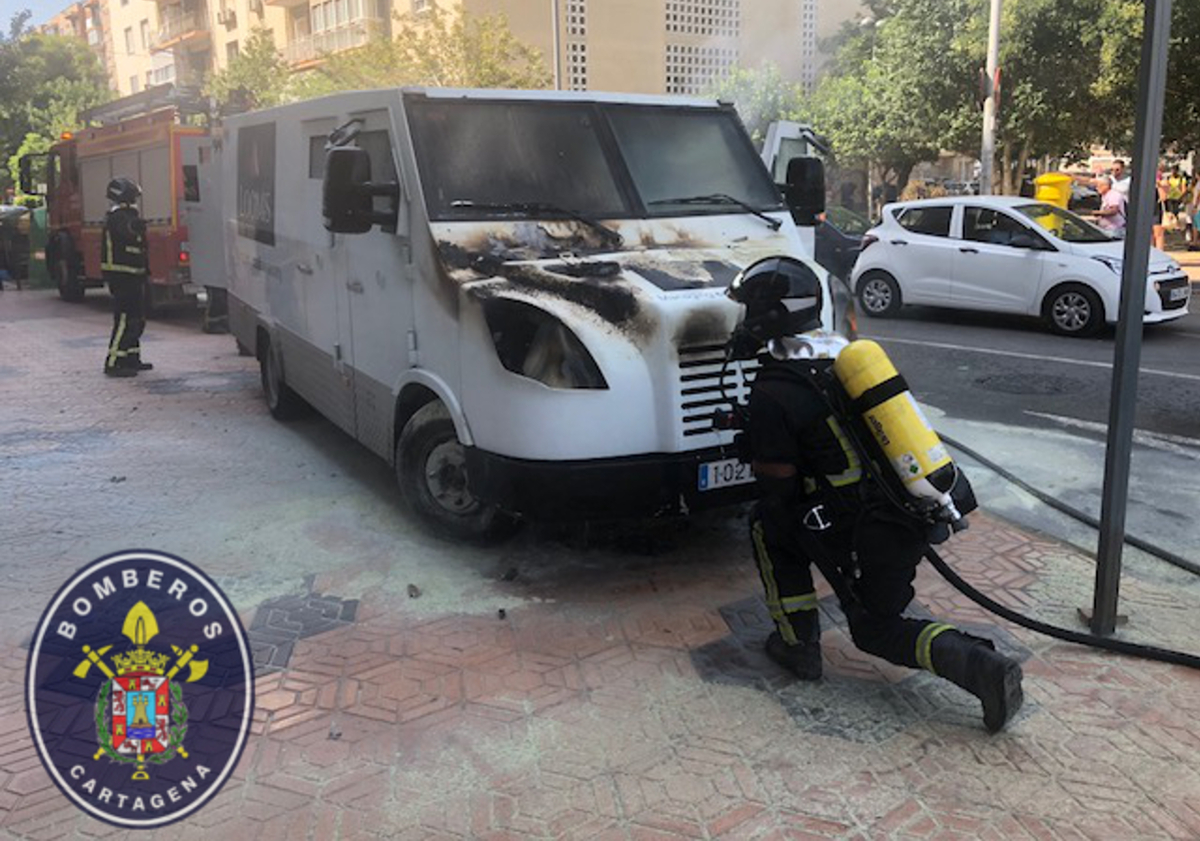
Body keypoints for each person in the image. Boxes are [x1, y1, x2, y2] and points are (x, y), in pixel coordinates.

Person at [726, 258, 1024, 733]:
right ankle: (981, 665)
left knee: (772, 528)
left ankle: (800, 646)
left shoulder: (774, 389)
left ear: (767, 317)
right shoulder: (845, 361)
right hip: (906, 513)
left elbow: (777, 485)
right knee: (880, 614)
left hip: (859, 530)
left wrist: (760, 451)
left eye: (748, 313)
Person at [101, 177, 153, 377]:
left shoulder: (126, 215)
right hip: (123, 276)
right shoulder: (118, 217)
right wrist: (137, 225)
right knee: (124, 319)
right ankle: (114, 362)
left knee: (136, 319)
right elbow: (127, 230)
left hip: (133, 275)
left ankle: (131, 358)